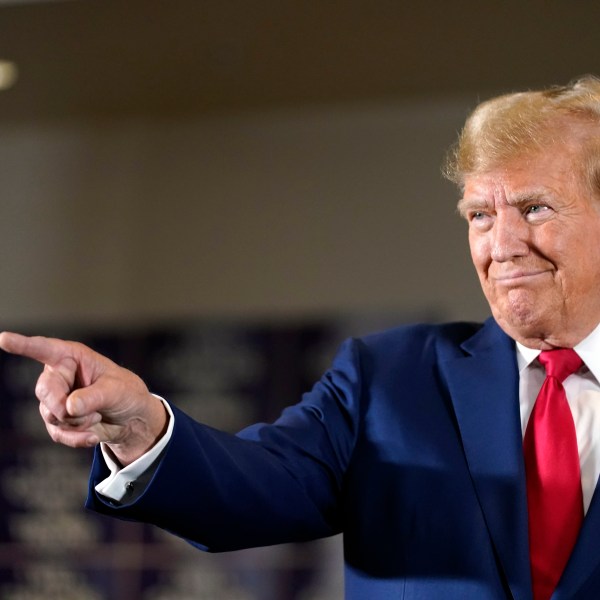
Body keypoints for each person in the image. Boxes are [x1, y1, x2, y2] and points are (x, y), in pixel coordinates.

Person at [2, 75, 600, 600]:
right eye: (480, 215)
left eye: (536, 209)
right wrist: (140, 428)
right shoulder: (389, 376)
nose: (501, 246)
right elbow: (258, 487)